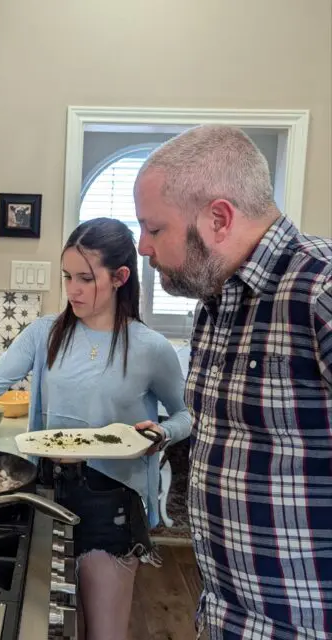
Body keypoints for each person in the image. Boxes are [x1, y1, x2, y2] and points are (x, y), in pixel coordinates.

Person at [0, 217, 191, 640]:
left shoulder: (150, 348)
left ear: (121, 277)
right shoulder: (45, 333)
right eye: (67, 277)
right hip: (45, 490)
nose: (73, 290)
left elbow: (186, 415)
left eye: (86, 278)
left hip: (111, 500)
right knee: (49, 626)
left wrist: (160, 434)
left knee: (104, 632)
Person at [134, 124, 332, 640]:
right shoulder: (216, 303)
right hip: (226, 613)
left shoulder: (319, 294)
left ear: (218, 218)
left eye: (155, 229)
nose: (142, 247)